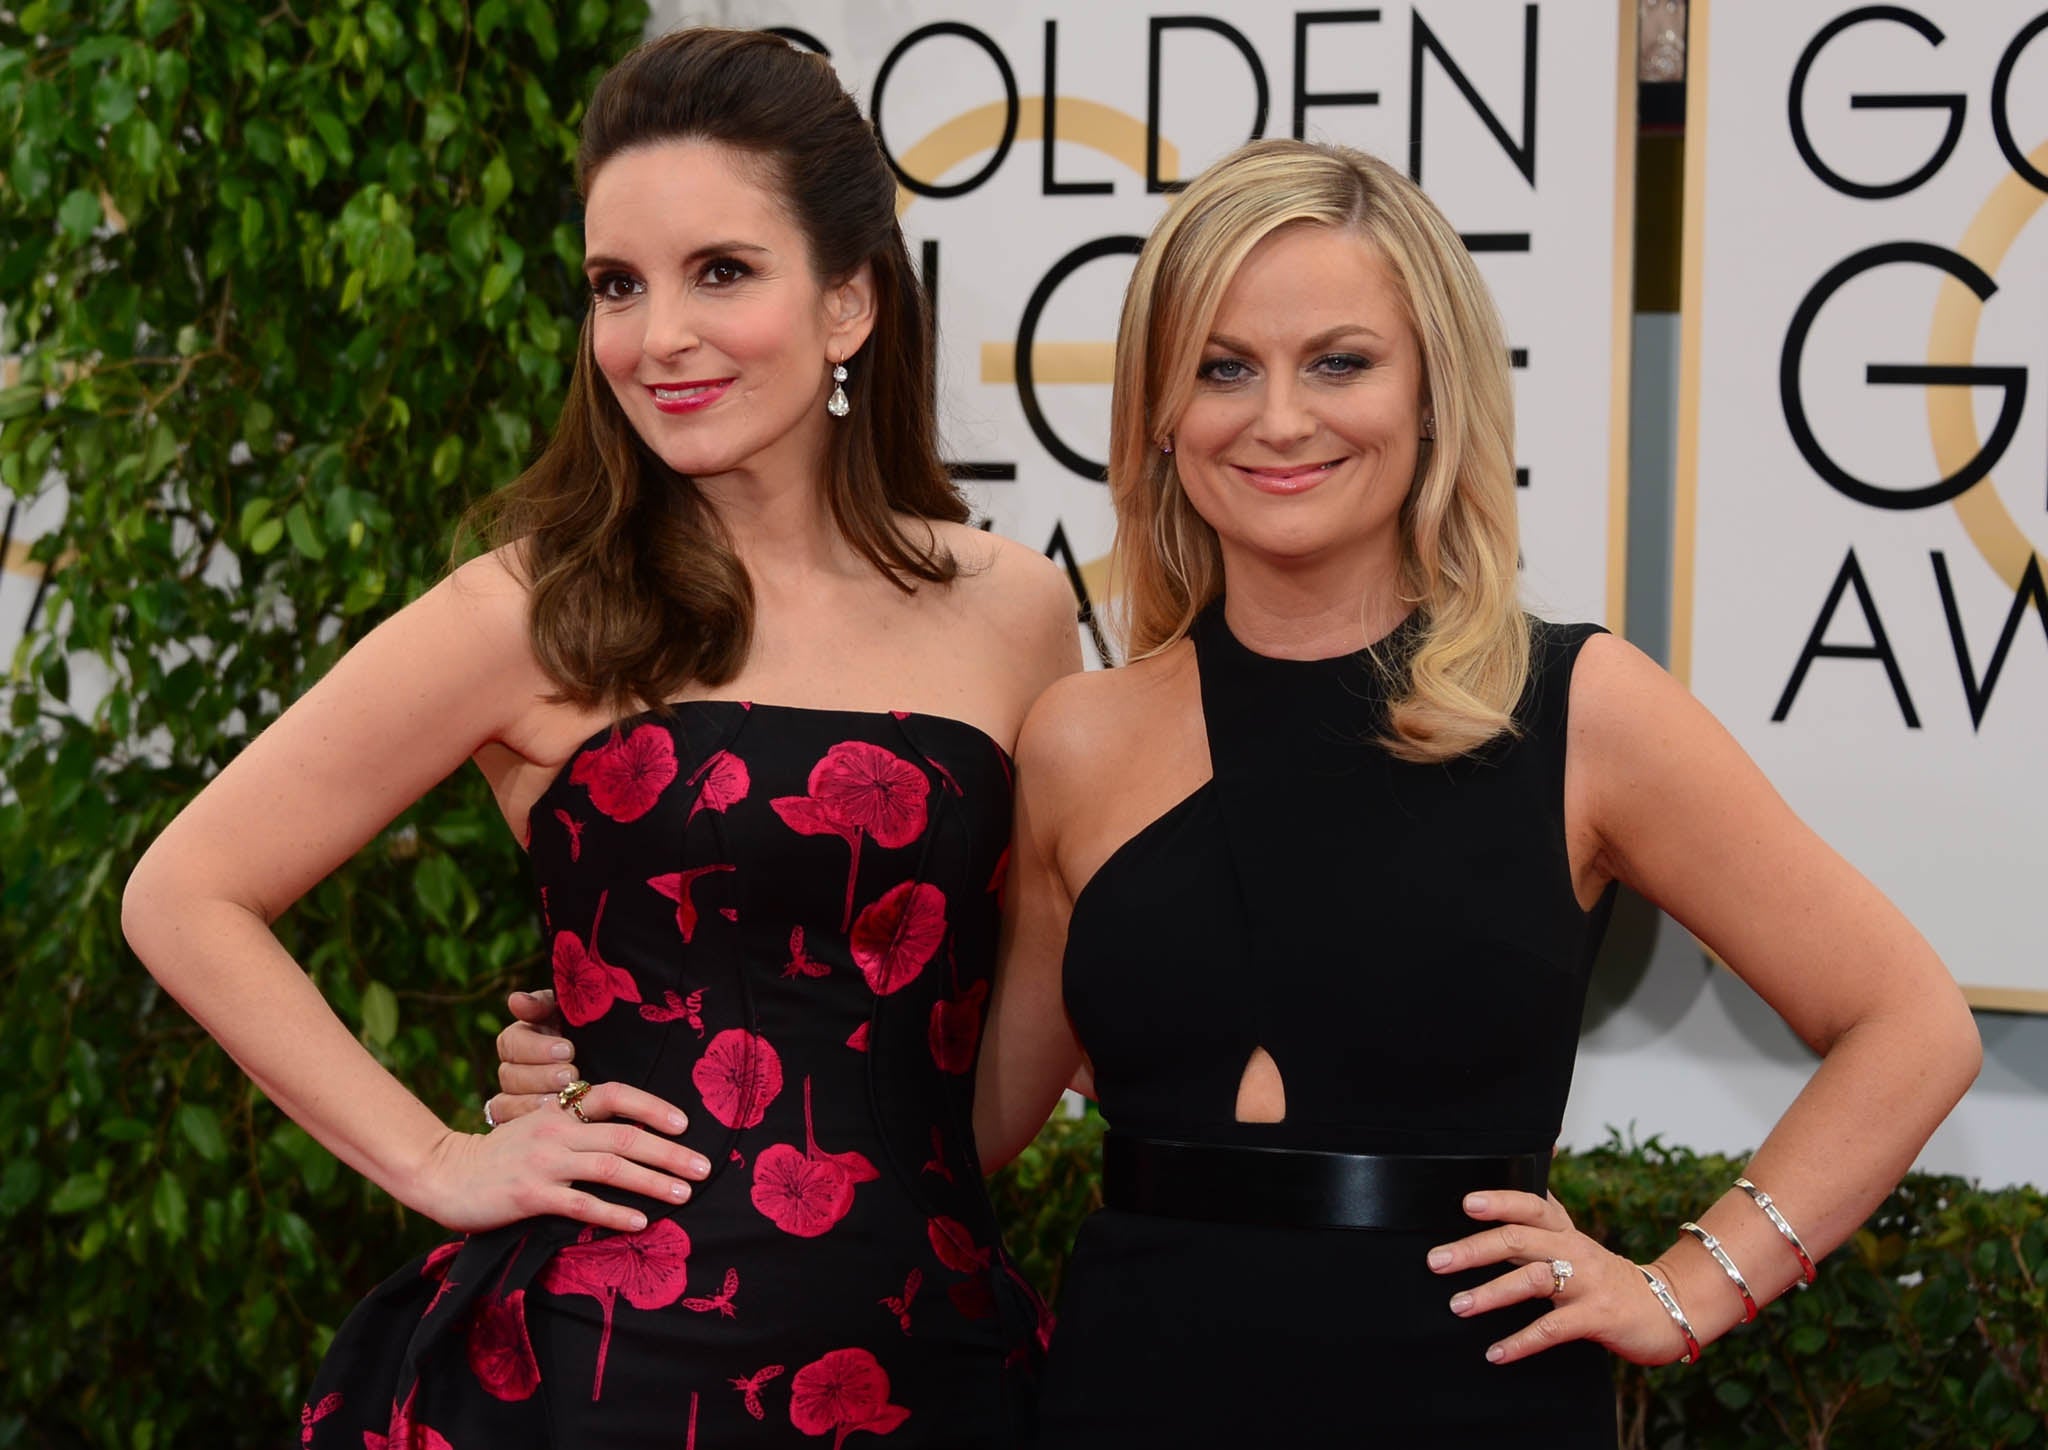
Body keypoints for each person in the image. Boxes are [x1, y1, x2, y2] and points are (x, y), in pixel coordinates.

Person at [494, 137, 1982, 1444]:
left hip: (1474, 1399)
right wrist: (640, 1045)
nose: (1277, 419)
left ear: (1432, 391)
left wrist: (1688, 1286)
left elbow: (1909, 1025)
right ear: (1153, 410)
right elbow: (951, 1121)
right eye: (1221, 367)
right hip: (1131, 1387)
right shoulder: (1079, 735)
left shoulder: (1584, 711)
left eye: (1339, 361)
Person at [122, 28, 1075, 1449]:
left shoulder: (1012, 607)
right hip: (612, 1369)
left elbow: (977, 1096)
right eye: (616, 285)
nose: (656, 337)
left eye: (722, 272)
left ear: (850, 302)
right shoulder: (533, 610)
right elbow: (183, 894)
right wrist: (441, 1158)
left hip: (930, 1358)